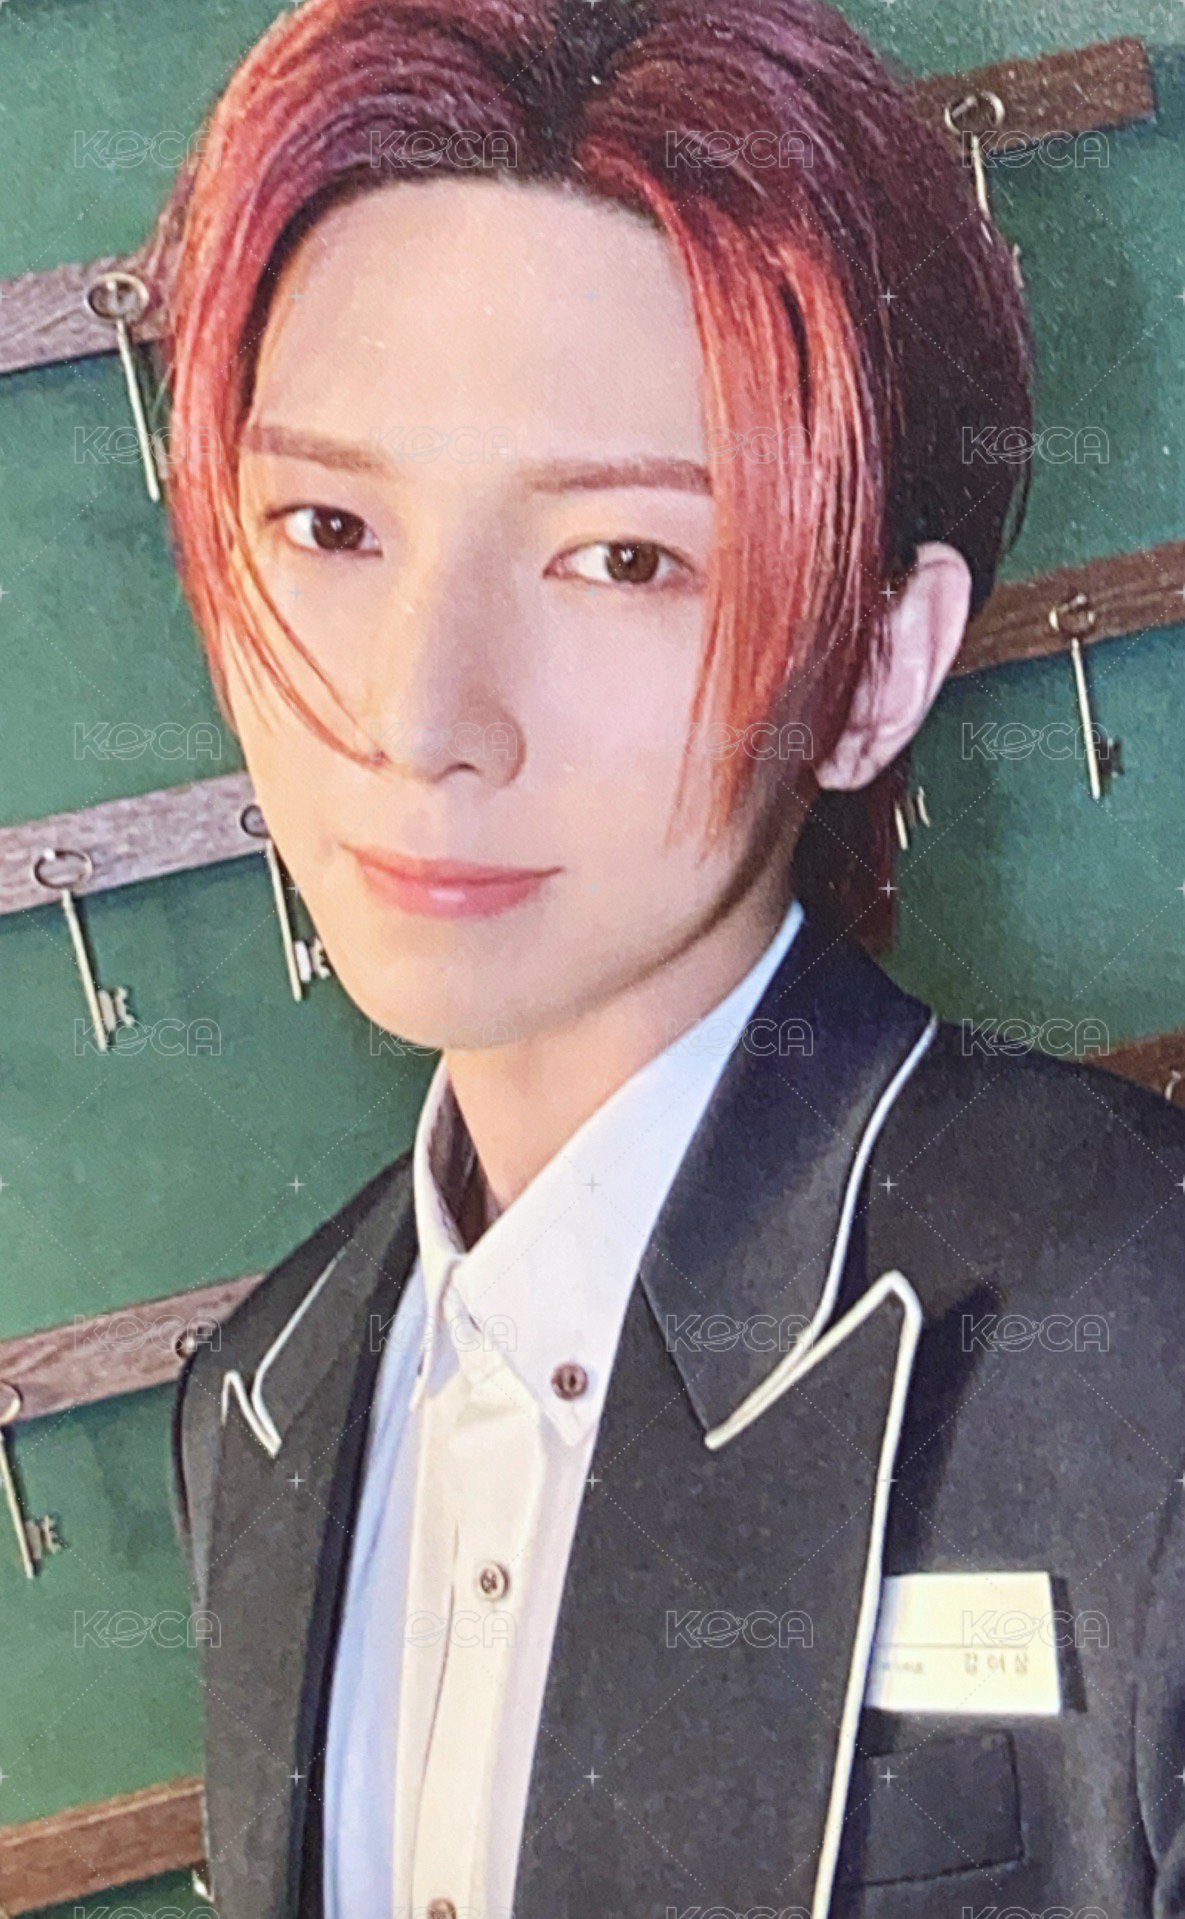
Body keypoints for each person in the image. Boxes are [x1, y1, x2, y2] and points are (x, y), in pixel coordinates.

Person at [156, 0, 1185, 1914]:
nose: (421, 718)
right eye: (328, 523)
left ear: (873, 662)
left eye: (622, 558)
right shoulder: (258, 1403)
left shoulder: (1140, 1341)